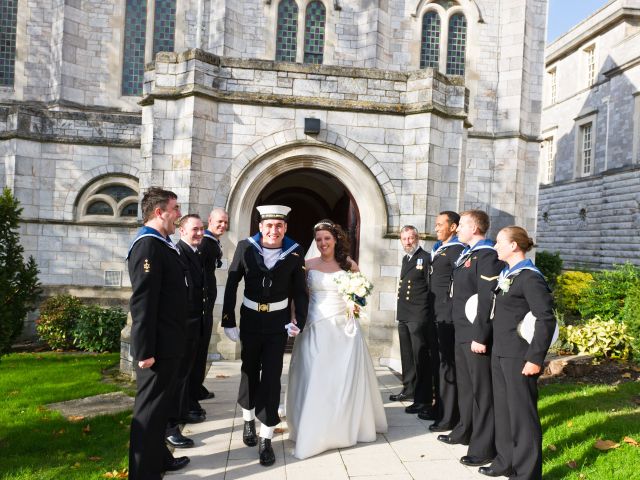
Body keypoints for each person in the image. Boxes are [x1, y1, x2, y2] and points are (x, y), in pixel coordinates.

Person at [286, 220, 388, 459]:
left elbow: (360, 294)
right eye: (319, 239)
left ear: (336, 240)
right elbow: (298, 298)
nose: (323, 243)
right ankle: (313, 426)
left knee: (341, 378)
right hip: (314, 325)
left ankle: (341, 425)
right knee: (315, 376)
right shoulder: (307, 265)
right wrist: (294, 320)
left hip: (344, 328)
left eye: (327, 239)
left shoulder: (348, 265)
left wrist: (355, 305)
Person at [221, 205, 309, 467]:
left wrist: (299, 321)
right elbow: (232, 282)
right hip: (250, 320)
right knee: (249, 370)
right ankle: (248, 419)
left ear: (285, 228)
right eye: (269, 225)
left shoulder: (294, 251)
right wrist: (228, 319)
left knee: (271, 377)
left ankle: (266, 437)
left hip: (276, 324)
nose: (274, 230)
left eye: (279, 226)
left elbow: (300, 290)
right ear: (260, 227)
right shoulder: (245, 247)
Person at [479, 226, 556, 479]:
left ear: (514, 246)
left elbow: (546, 319)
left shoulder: (530, 277)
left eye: (500, 242)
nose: (495, 246)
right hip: (501, 352)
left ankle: (526, 473)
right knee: (503, 411)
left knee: (522, 416)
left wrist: (535, 359)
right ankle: (505, 462)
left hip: (519, 357)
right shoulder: (508, 273)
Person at [127, 187, 190, 479]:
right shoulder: (148, 246)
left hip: (170, 342)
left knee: (161, 409)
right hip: (158, 347)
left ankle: (160, 459)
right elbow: (143, 302)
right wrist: (144, 351)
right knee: (149, 413)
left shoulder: (163, 243)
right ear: (158, 211)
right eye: (175, 209)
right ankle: (143, 473)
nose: (178, 215)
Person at [438, 209, 504, 468]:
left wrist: (481, 335)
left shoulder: (487, 256)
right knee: (466, 387)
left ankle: (483, 446)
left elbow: (486, 299)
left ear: (475, 228)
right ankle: (464, 429)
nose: (458, 229)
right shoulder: (468, 254)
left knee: (481, 392)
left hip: (475, 335)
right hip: (461, 330)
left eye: (462, 225)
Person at [166, 214, 207, 450]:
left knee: (185, 374)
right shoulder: (178, 252)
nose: (200, 233)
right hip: (182, 325)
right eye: (195, 229)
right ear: (182, 231)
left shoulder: (194, 252)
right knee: (176, 378)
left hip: (192, 323)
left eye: (202, 229)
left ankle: (180, 413)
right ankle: (170, 425)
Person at [423, 211, 465, 429]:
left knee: (447, 366)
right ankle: (438, 406)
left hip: (447, 315)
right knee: (437, 363)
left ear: (453, 227)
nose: (436, 228)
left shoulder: (458, 250)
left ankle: (449, 416)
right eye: (436, 224)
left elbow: (462, 283)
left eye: (440, 224)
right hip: (435, 314)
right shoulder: (439, 249)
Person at [390, 225, 438, 417]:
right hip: (404, 313)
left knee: (420, 358)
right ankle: (409, 388)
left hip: (418, 315)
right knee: (407, 355)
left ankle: (423, 398)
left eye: (411, 238)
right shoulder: (406, 258)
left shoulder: (425, 258)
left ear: (417, 238)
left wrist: (427, 315)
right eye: (404, 239)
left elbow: (429, 289)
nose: (408, 242)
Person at [190, 208, 229, 404]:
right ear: (209, 221)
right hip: (200, 303)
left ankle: (197, 386)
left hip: (206, 302)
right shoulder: (205, 242)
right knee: (197, 349)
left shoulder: (211, 241)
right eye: (219, 222)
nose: (223, 225)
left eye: (225, 222)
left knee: (202, 347)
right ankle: (193, 391)